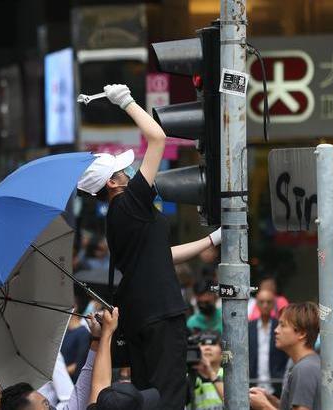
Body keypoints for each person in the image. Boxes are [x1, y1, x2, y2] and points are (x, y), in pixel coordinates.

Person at [77, 83, 221, 410]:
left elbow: (160, 256)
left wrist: (210, 240)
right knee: (168, 398)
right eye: (121, 170)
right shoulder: (130, 204)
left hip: (143, 315)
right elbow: (157, 137)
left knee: (150, 397)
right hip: (160, 314)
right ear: (111, 183)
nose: (129, 171)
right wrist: (125, 101)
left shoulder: (117, 217)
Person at [249, 302, 321, 410]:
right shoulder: (305, 364)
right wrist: (271, 400)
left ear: (301, 333)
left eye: (282, 325)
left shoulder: (305, 369)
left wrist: (264, 406)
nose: (276, 330)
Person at [249, 289, 288, 395]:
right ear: (256, 303)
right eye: (261, 302)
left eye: (268, 302)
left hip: (277, 385)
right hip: (252, 385)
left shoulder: (280, 326)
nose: (265, 305)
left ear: (274, 304)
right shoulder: (248, 327)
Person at [190, 331, 224, 410]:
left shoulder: (229, 376)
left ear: (222, 353)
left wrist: (211, 373)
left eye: (213, 344)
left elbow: (233, 402)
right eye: (203, 344)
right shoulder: (189, 377)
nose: (207, 348)